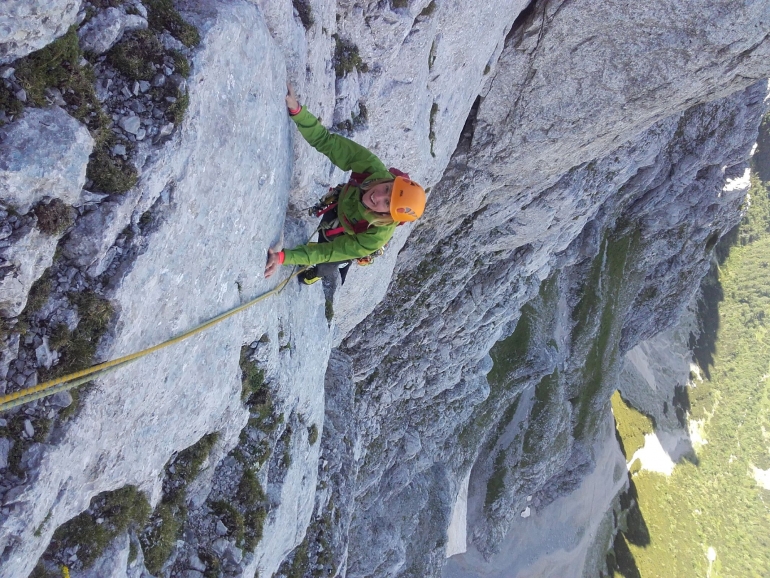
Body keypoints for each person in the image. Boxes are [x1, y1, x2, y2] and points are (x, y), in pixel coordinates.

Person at [264, 84, 426, 284]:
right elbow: (328, 142)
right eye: (387, 189)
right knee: (326, 230)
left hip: (352, 231)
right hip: (341, 207)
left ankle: (316, 275)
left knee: (330, 261)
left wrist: (283, 258)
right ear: (388, 180)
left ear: (387, 216)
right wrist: (298, 111)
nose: (378, 196)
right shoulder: (372, 169)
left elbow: (326, 252)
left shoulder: (375, 236)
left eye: (386, 203)